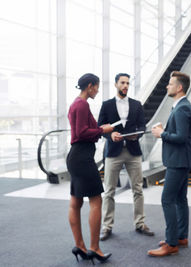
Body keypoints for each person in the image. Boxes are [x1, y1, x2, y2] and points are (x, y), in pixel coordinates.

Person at [98, 73, 154, 241]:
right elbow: (100, 127)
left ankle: (140, 223)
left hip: (133, 151)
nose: (125, 86)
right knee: (109, 190)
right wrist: (110, 135)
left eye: (128, 83)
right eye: (122, 83)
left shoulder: (136, 105)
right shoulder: (107, 105)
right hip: (113, 152)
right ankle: (107, 226)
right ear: (116, 84)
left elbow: (143, 126)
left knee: (137, 189)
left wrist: (136, 135)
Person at [66, 73, 113, 264]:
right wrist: (103, 130)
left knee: (75, 202)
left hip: (76, 156)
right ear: (90, 86)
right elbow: (81, 132)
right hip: (82, 157)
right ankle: (94, 248)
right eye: (97, 87)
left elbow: (81, 130)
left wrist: (101, 129)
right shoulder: (82, 104)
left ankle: (80, 246)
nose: (98, 90)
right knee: (96, 200)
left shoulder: (75, 104)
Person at [148, 71, 191, 257]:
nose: (167, 86)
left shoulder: (182, 108)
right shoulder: (181, 106)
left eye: (170, 83)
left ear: (179, 87)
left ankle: (171, 243)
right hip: (181, 160)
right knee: (180, 199)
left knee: (167, 200)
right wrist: (164, 130)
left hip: (178, 161)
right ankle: (181, 237)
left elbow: (182, 137)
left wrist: (161, 134)